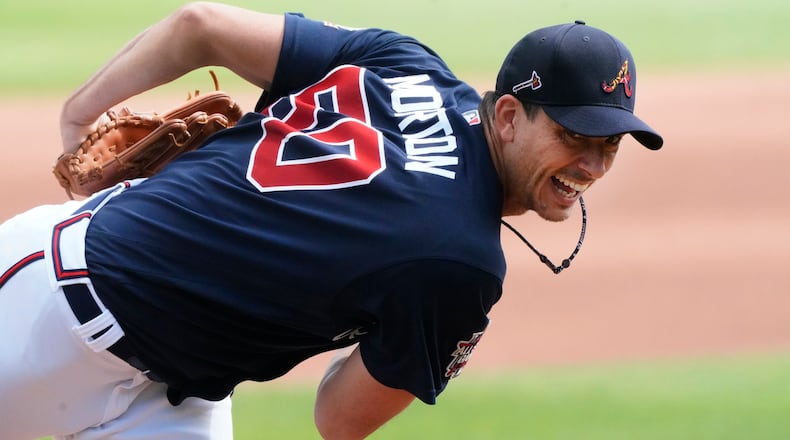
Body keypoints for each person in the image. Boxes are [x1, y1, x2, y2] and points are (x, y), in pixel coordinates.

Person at [0, 2, 663, 439]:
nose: (592, 163)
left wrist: (79, 118)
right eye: (575, 135)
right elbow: (339, 419)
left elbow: (199, 23)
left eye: (608, 144)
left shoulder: (404, 63)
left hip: (173, 390)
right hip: (46, 319)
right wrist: (429, 332)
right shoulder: (460, 265)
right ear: (512, 117)